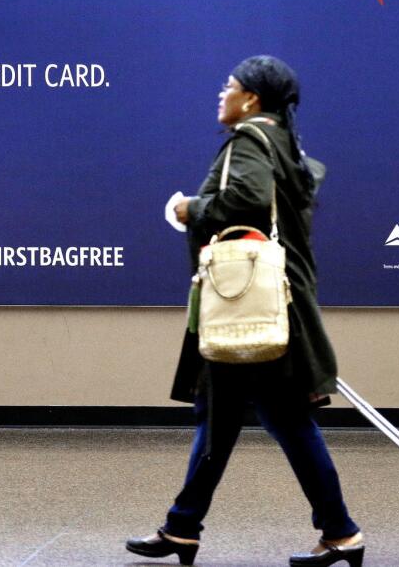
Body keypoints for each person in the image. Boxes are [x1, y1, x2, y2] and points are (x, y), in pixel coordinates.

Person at [126, 56, 364, 567]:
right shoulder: (286, 145)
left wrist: (192, 208)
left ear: (251, 98)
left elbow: (247, 199)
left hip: (251, 307)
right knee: (225, 417)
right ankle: (183, 527)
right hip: (277, 302)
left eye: (228, 87)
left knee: (280, 422)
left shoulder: (250, 142)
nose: (221, 94)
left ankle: (341, 532)